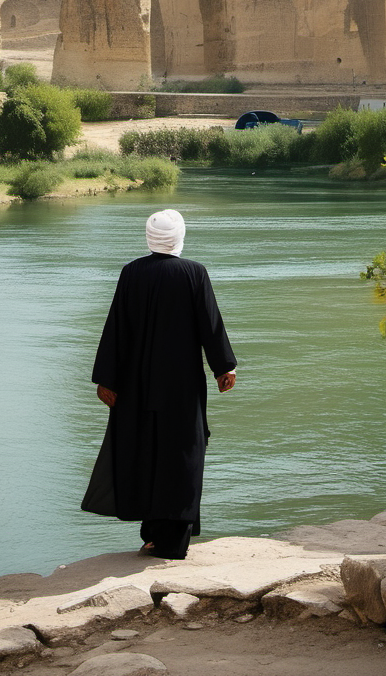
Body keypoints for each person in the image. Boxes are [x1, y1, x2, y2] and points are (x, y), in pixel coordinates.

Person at [81, 208, 237, 560]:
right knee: (182, 454)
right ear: (180, 237)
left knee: (145, 451)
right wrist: (223, 367)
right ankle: (170, 540)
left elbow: (116, 328)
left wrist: (106, 379)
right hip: (181, 385)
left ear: (149, 237)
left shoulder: (131, 272)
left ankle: (151, 535)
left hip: (135, 384)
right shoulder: (193, 273)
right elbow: (209, 324)